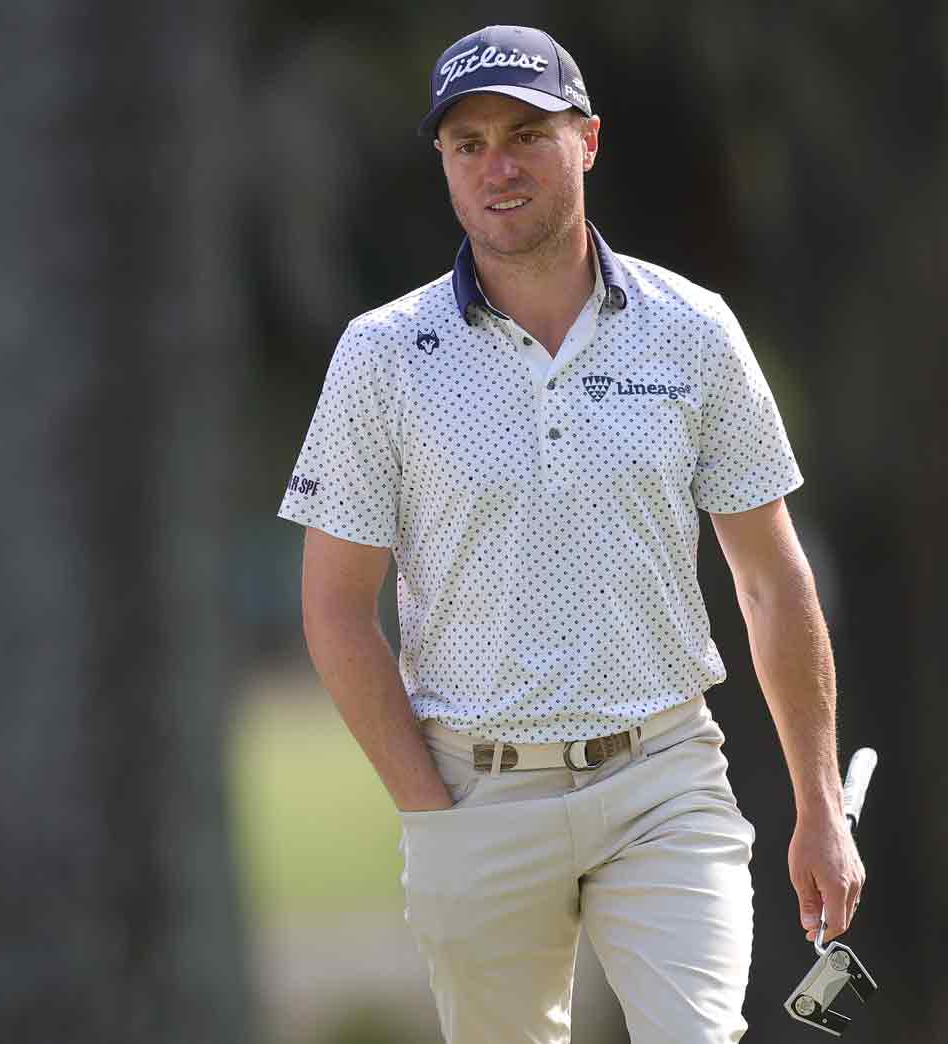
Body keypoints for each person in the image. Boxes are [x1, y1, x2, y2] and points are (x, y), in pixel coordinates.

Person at [278, 24, 864, 1043]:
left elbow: (772, 583)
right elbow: (333, 608)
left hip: (663, 777)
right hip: (475, 793)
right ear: (444, 165)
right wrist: (426, 812)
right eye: (468, 145)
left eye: (524, 134)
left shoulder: (690, 330)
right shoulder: (382, 355)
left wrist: (815, 803)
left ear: (584, 141)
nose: (496, 166)